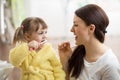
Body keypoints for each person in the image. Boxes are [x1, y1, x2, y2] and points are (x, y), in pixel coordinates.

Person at [58, 4, 120, 80]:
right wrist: (65, 61)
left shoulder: (109, 65)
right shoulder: (77, 53)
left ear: (91, 28)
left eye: (76, 25)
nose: (71, 30)